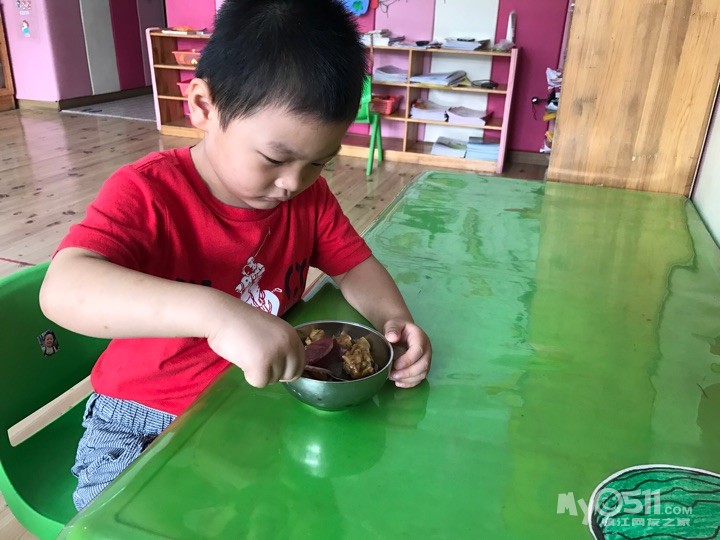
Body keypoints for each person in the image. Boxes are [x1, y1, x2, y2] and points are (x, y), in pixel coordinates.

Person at [39, 0, 432, 511]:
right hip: (144, 419)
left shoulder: (307, 198)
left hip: (255, 412)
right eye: (275, 158)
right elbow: (63, 288)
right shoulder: (149, 194)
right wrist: (217, 314)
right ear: (204, 106)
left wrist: (396, 321)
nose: (293, 183)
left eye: (319, 163)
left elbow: (354, 264)